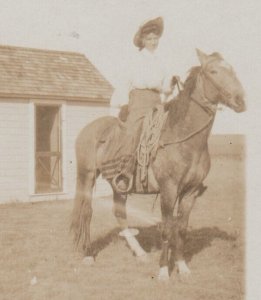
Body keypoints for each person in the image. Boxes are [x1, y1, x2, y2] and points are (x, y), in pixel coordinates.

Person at [101, 16, 177, 193]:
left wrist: (171, 84)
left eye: (155, 38)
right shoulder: (134, 59)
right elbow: (124, 82)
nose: (153, 42)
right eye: (149, 39)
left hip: (157, 102)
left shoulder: (161, 61)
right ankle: (124, 174)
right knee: (134, 131)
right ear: (143, 40)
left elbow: (164, 88)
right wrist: (126, 104)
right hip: (138, 100)